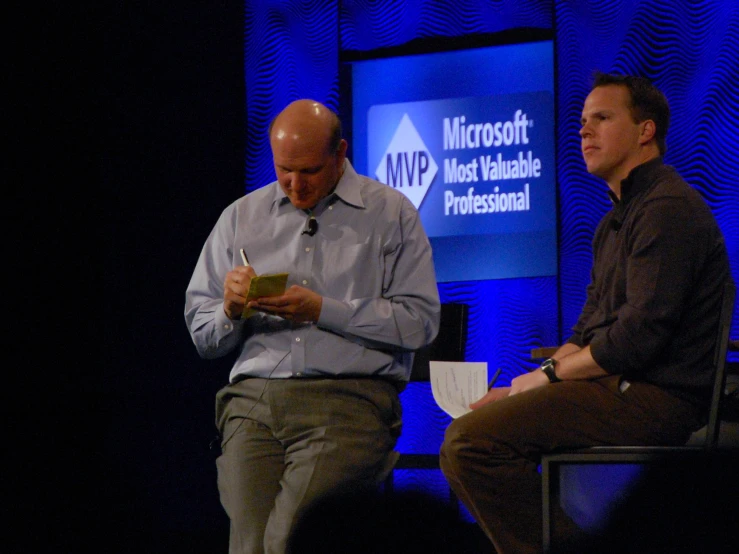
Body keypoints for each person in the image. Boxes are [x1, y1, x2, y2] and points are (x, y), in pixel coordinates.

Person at [439, 72, 732, 554]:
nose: (584, 131)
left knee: (471, 443)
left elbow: (637, 337)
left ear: (646, 131)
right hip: (618, 385)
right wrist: (523, 384)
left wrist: (549, 376)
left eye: (602, 118)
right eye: (581, 122)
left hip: (657, 396)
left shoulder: (667, 209)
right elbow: (588, 328)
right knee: (474, 430)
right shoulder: (614, 221)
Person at [184, 99, 440, 554]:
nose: (294, 185)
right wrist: (229, 310)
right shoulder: (241, 217)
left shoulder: (391, 214)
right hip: (253, 402)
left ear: (339, 154)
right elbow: (202, 335)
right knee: (248, 543)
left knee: (289, 539)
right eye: (284, 170)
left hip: (347, 400)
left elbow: (420, 323)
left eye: (309, 171)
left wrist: (323, 309)